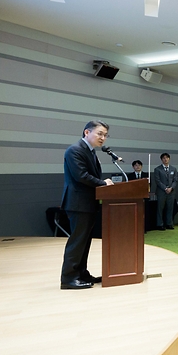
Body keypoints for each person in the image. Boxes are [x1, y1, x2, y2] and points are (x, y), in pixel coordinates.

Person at [60, 120, 114, 289]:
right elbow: (81, 176)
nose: (103, 138)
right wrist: (103, 183)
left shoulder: (90, 152)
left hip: (87, 203)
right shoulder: (75, 150)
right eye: (100, 133)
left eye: (105, 135)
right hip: (78, 203)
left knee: (84, 241)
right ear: (86, 133)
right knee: (77, 241)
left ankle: (81, 273)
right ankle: (68, 278)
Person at [154, 153, 177, 230]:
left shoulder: (173, 169)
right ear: (161, 159)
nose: (165, 159)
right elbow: (157, 181)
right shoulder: (157, 169)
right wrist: (165, 188)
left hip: (171, 192)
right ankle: (160, 224)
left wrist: (171, 188)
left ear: (169, 159)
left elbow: (175, 180)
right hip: (161, 192)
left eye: (167, 158)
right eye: (164, 158)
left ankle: (169, 223)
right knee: (160, 208)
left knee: (170, 208)